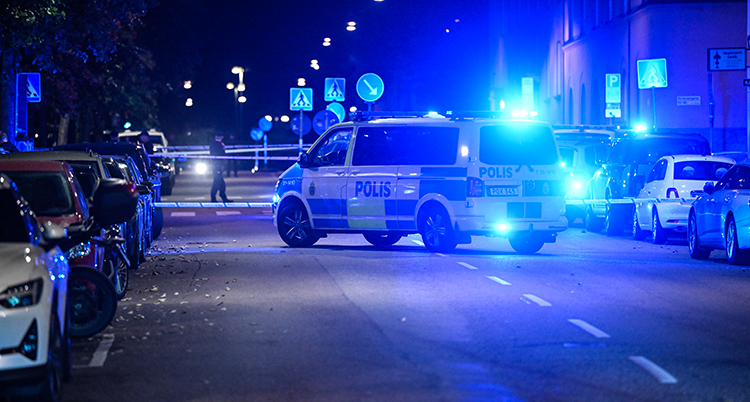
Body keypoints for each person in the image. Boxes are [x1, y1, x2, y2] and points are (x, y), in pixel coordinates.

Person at [209, 132, 232, 203]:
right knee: (219, 182)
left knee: (217, 182)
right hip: (217, 165)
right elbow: (221, 155)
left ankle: (215, 197)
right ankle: (221, 196)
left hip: (217, 165)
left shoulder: (214, 144)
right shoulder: (218, 145)